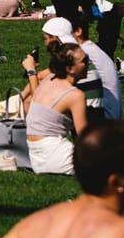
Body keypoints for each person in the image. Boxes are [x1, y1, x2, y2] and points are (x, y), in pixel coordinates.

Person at [24, 42, 89, 176]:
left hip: (35, 155)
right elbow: (85, 137)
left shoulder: (49, 79)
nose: (89, 63)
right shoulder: (75, 96)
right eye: (85, 61)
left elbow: (37, 100)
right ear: (70, 68)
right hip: (56, 155)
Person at [41, 16, 121, 119]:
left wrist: (31, 72)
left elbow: (43, 78)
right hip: (105, 110)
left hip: (102, 116)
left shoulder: (79, 54)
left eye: (46, 38)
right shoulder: (87, 49)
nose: (45, 43)